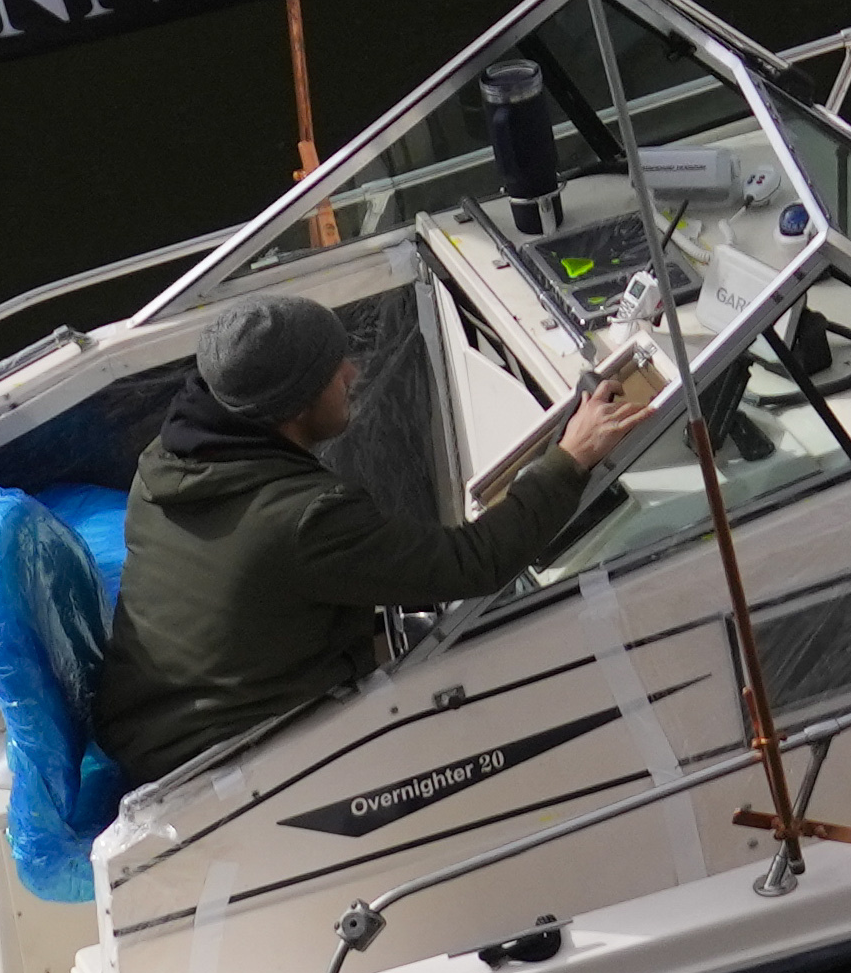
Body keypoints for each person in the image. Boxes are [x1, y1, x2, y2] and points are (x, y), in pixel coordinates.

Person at [91, 290, 665, 776]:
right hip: (223, 761)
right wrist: (570, 458)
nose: (354, 372)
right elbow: (475, 563)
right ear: (292, 405)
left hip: (150, 726)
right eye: (333, 370)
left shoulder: (164, 463)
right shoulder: (304, 519)